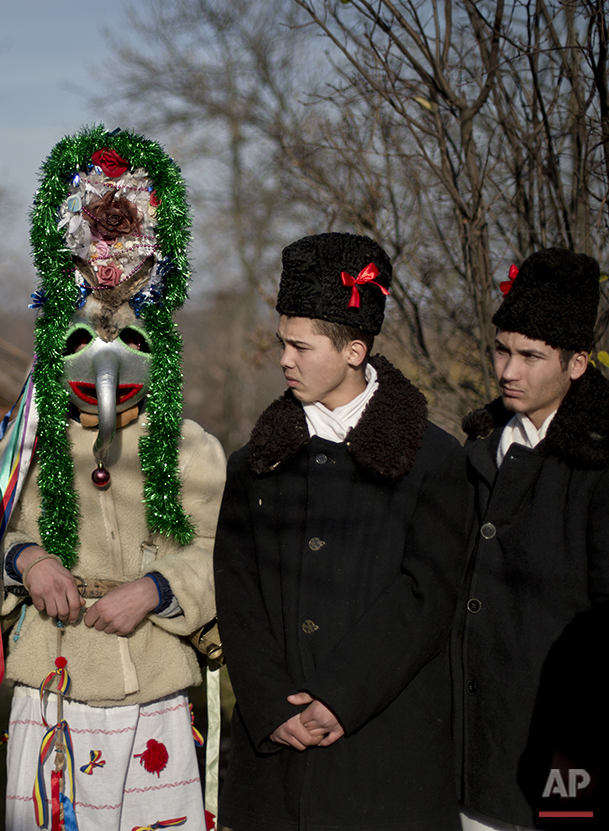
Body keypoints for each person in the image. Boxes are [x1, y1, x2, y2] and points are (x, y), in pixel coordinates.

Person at [0, 127, 226, 831]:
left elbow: (219, 544)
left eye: (127, 348)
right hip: (50, 684)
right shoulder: (25, 441)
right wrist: (25, 558)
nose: (106, 368)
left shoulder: (188, 447)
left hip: (149, 686)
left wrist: (156, 588)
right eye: (85, 349)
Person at [214, 232, 470, 831]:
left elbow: (424, 598)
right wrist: (272, 703)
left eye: (301, 347)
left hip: (384, 756)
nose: (285, 360)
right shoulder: (254, 464)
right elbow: (238, 592)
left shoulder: (433, 461)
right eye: (283, 343)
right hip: (274, 757)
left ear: (355, 350)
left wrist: (339, 696)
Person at [455, 248, 608, 830]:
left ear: (576, 364)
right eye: (503, 350)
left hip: (564, 760)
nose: (507, 371)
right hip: (470, 755)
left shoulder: (598, 468)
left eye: (530, 356)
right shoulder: (476, 450)